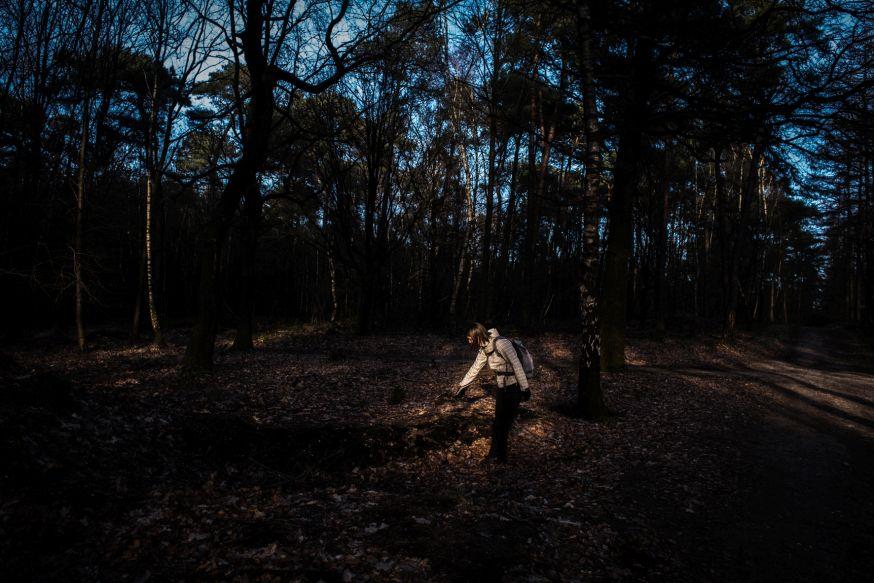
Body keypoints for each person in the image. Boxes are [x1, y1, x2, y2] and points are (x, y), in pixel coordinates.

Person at [455, 323, 531, 463]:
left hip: (515, 388)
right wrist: (462, 386)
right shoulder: (484, 348)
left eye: (470, 338)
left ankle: (502, 456)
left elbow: (516, 364)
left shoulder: (502, 343)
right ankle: (493, 455)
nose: (469, 341)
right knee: (497, 424)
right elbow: (475, 367)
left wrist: (525, 388)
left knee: (505, 424)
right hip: (502, 388)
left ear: (477, 335)